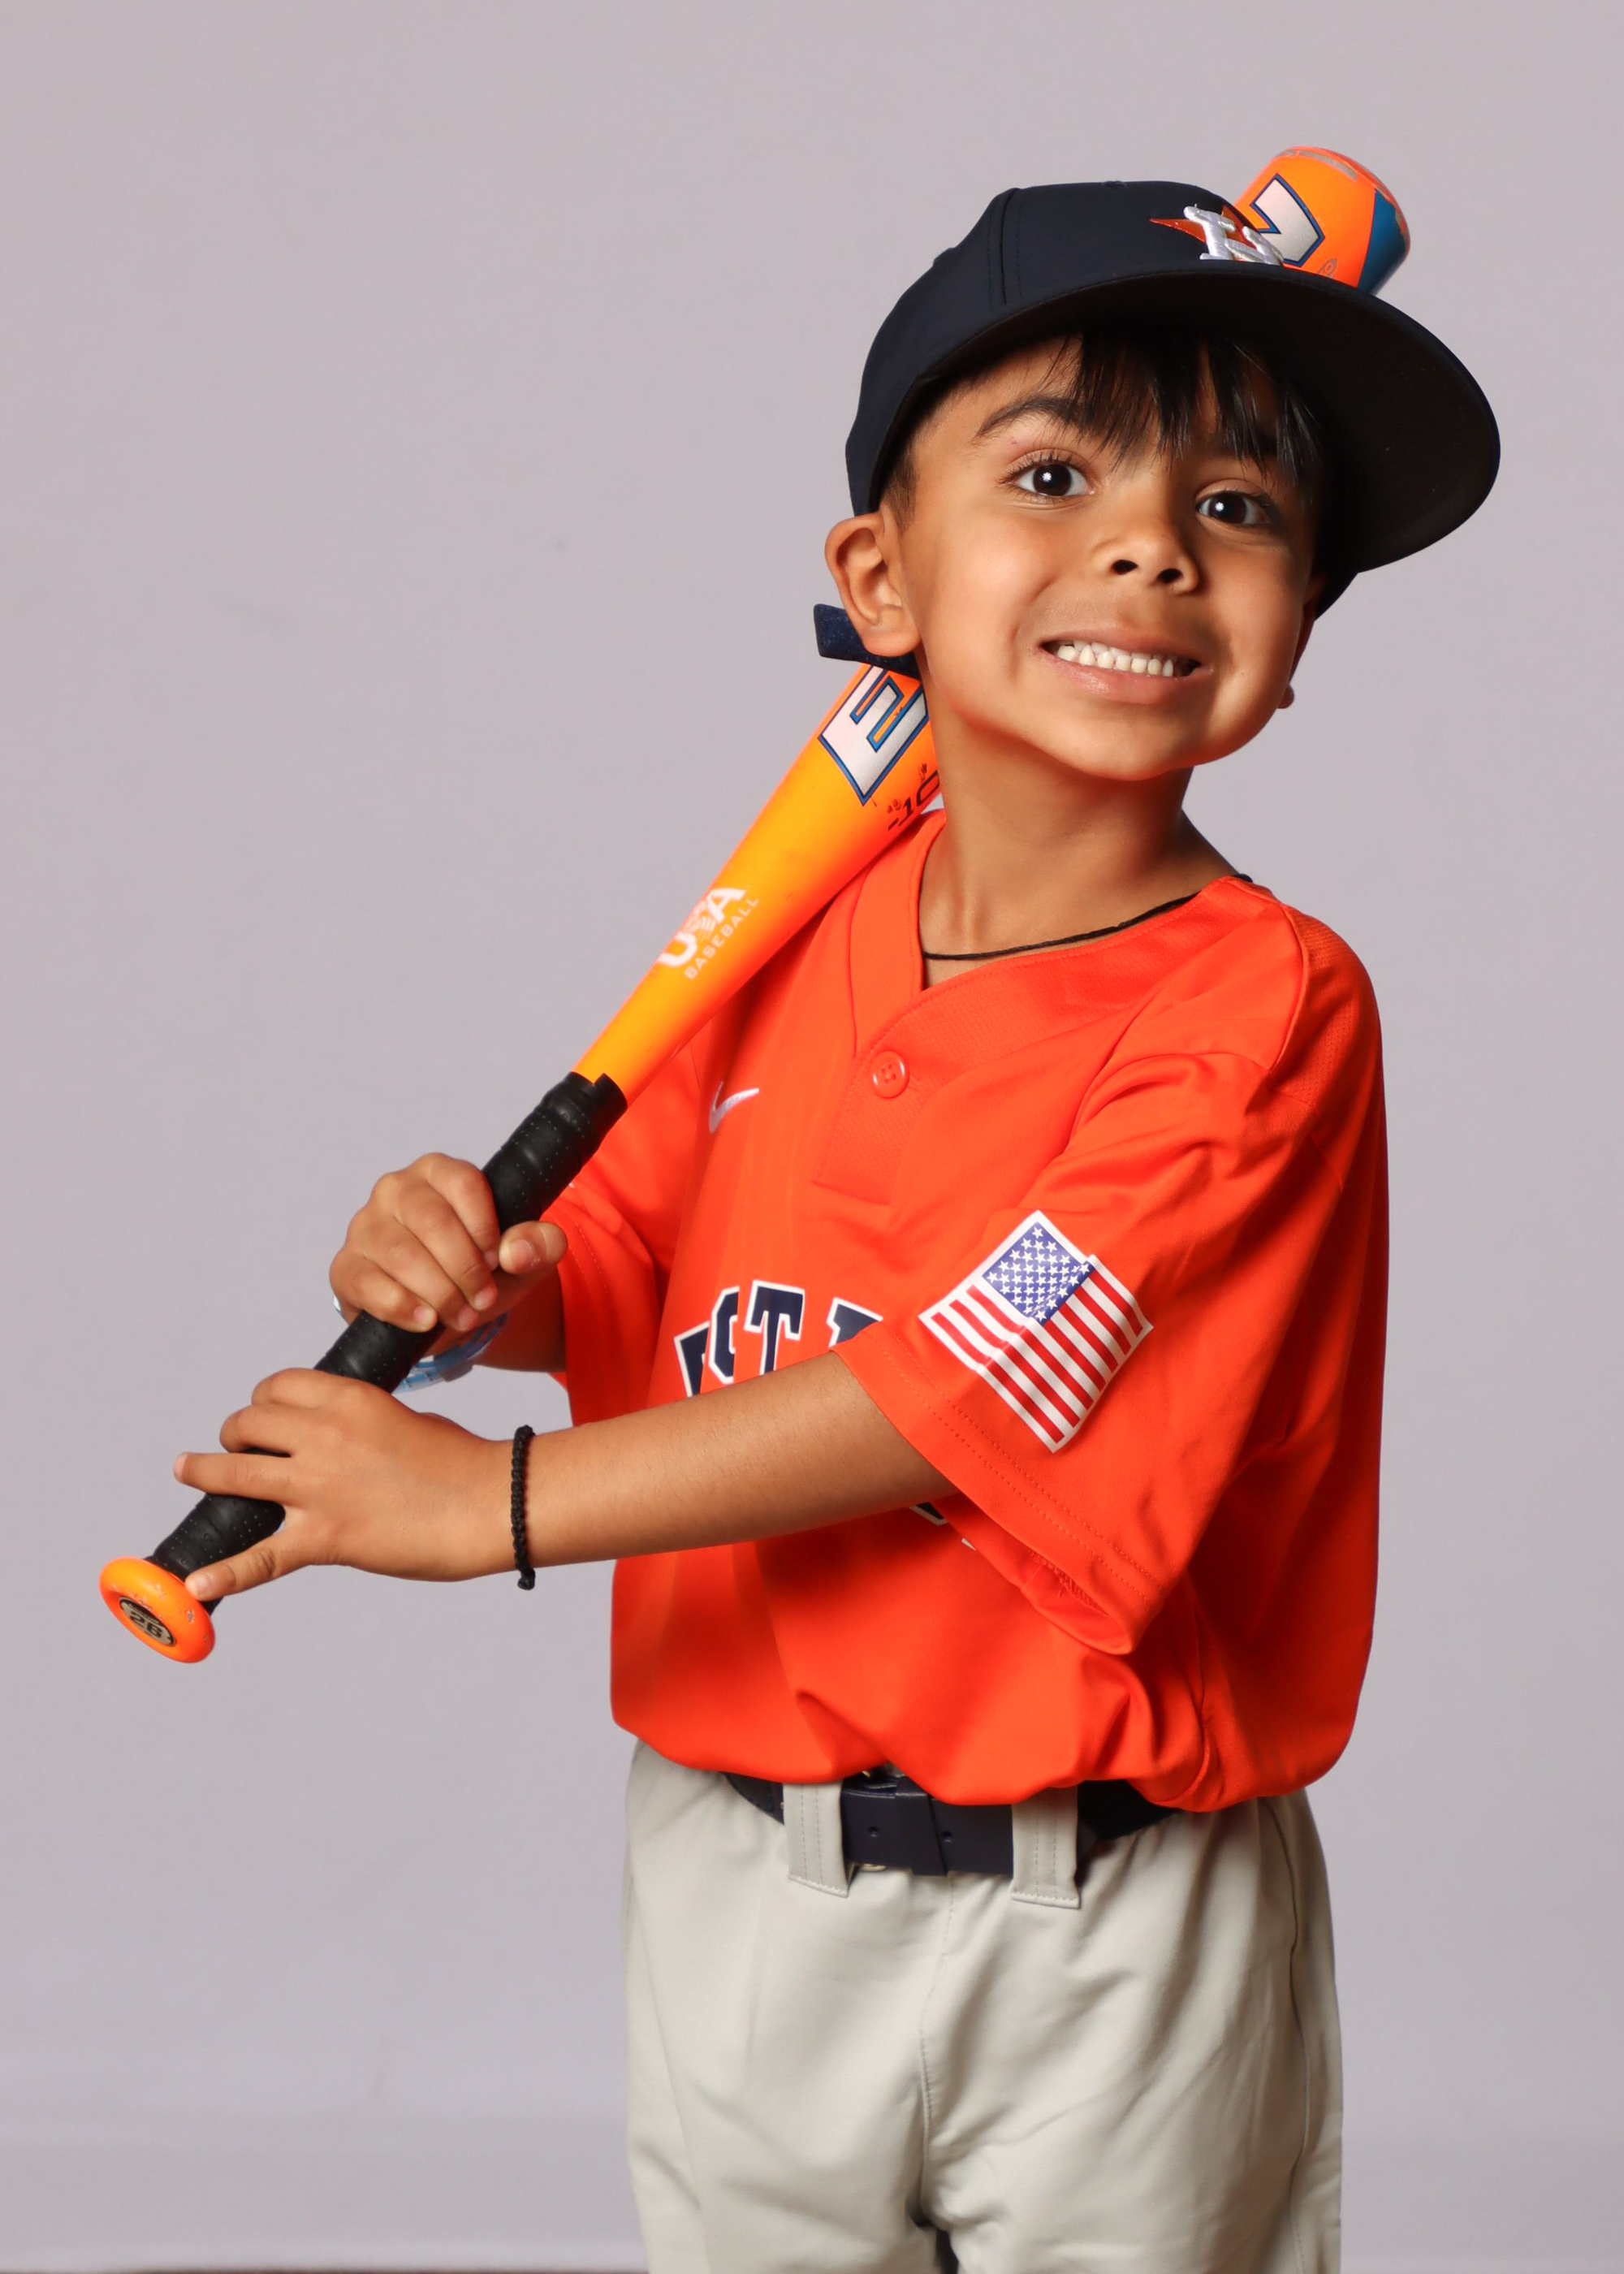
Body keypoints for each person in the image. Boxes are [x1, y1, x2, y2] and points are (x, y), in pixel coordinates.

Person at [175, 175, 1497, 2271]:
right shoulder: (793, 935)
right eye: (1053, 474)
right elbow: (646, 1264)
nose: (1153, 545)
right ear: (881, 577)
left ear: (1299, 630)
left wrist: (488, 1504)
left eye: (1240, 508)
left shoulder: (1265, 1008)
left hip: (1115, 1915)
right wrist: (487, 1291)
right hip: (743, 1880)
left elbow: (977, 1381)